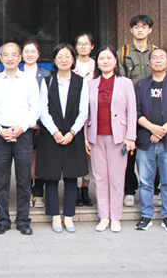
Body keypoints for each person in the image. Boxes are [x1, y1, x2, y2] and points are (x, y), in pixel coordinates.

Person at [0, 42, 42, 236]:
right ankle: (2, 220)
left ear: (20, 58)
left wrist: (22, 128)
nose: (10, 58)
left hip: (23, 135)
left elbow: (35, 108)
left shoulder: (29, 80)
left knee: (24, 181)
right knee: (1, 182)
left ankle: (23, 220)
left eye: (14, 55)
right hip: (1, 136)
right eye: (6, 55)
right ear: (0, 58)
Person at [134, 48, 167, 232]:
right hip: (145, 141)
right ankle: (146, 215)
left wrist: (162, 130)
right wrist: (152, 128)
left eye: (162, 58)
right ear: (149, 63)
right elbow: (135, 111)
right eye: (154, 58)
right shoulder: (141, 85)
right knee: (146, 182)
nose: (158, 60)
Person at [36, 43, 90, 233]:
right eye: (60, 56)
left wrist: (72, 132)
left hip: (73, 135)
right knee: (51, 177)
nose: (64, 60)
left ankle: (69, 216)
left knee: (71, 177)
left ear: (73, 59)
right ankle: (54, 216)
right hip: (51, 136)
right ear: (54, 60)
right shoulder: (47, 81)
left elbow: (84, 111)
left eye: (67, 56)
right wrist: (55, 132)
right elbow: (43, 110)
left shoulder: (81, 82)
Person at [87, 45, 136, 233]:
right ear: (97, 62)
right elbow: (86, 113)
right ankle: (104, 216)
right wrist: (85, 137)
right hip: (96, 136)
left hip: (119, 137)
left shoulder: (125, 83)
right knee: (99, 178)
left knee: (117, 178)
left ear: (115, 61)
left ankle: (116, 216)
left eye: (109, 58)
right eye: (101, 58)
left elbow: (132, 111)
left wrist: (130, 136)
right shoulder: (91, 84)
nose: (105, 61)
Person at [117, 15, 160, 208]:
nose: (140, 30)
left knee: (155, 150)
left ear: (150, 30)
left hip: (153, 108)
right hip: (130, 109)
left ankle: (155, 189)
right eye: (136, 27)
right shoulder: (123, 53)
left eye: (144, 27)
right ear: (131, 30)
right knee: (129, 151)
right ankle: (129, 189)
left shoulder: (157, 52)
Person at [19, 38, 51, 209]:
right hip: (21, 125)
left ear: (38, 54)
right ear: (21, 55)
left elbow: (47, 101)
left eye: (33, 51)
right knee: (24, 160)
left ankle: (38, 192)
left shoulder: (46, 75)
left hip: (40, 125)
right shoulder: (16, 72)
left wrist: (38, 120)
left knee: (40, 158)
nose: (29, 54)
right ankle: (26, 192)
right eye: (26, 51)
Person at [72, 32, 96, 207]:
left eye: (86, 44)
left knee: (89, 154)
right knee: (74, 153)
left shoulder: (97, 65)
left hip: (93, 113)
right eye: (80, 44)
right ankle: (73, 190)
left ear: (92, 46)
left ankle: (85, 190)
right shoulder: (70, 63)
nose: (83, 47)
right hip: (73, 114)